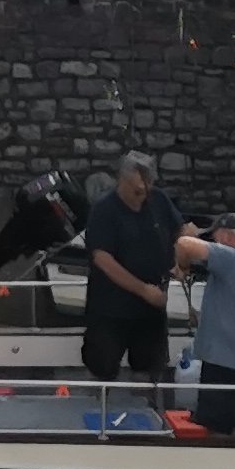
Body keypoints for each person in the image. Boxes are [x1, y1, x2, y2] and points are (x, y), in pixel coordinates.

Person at [76, 150, 183, 395]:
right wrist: (143, 290)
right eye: (136, 191)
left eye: (146, 190)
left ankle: (144, 417)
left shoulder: (159, 200)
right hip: (110, 310)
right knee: (101, 368)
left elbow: (182, 230)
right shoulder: (104, 210)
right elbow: (103, 259)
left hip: (151, 312)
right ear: (122, 181)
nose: (142, 196)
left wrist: (181, 259)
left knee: (148, 369)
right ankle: (97, 416)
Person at [180, 209, 235, 439]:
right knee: (224, 423)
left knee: (215, 430)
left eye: (215, 237)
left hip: (225, 363)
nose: (214, 242)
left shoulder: (232, 258)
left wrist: (181, 267)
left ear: (226, 237)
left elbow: (184, 244)